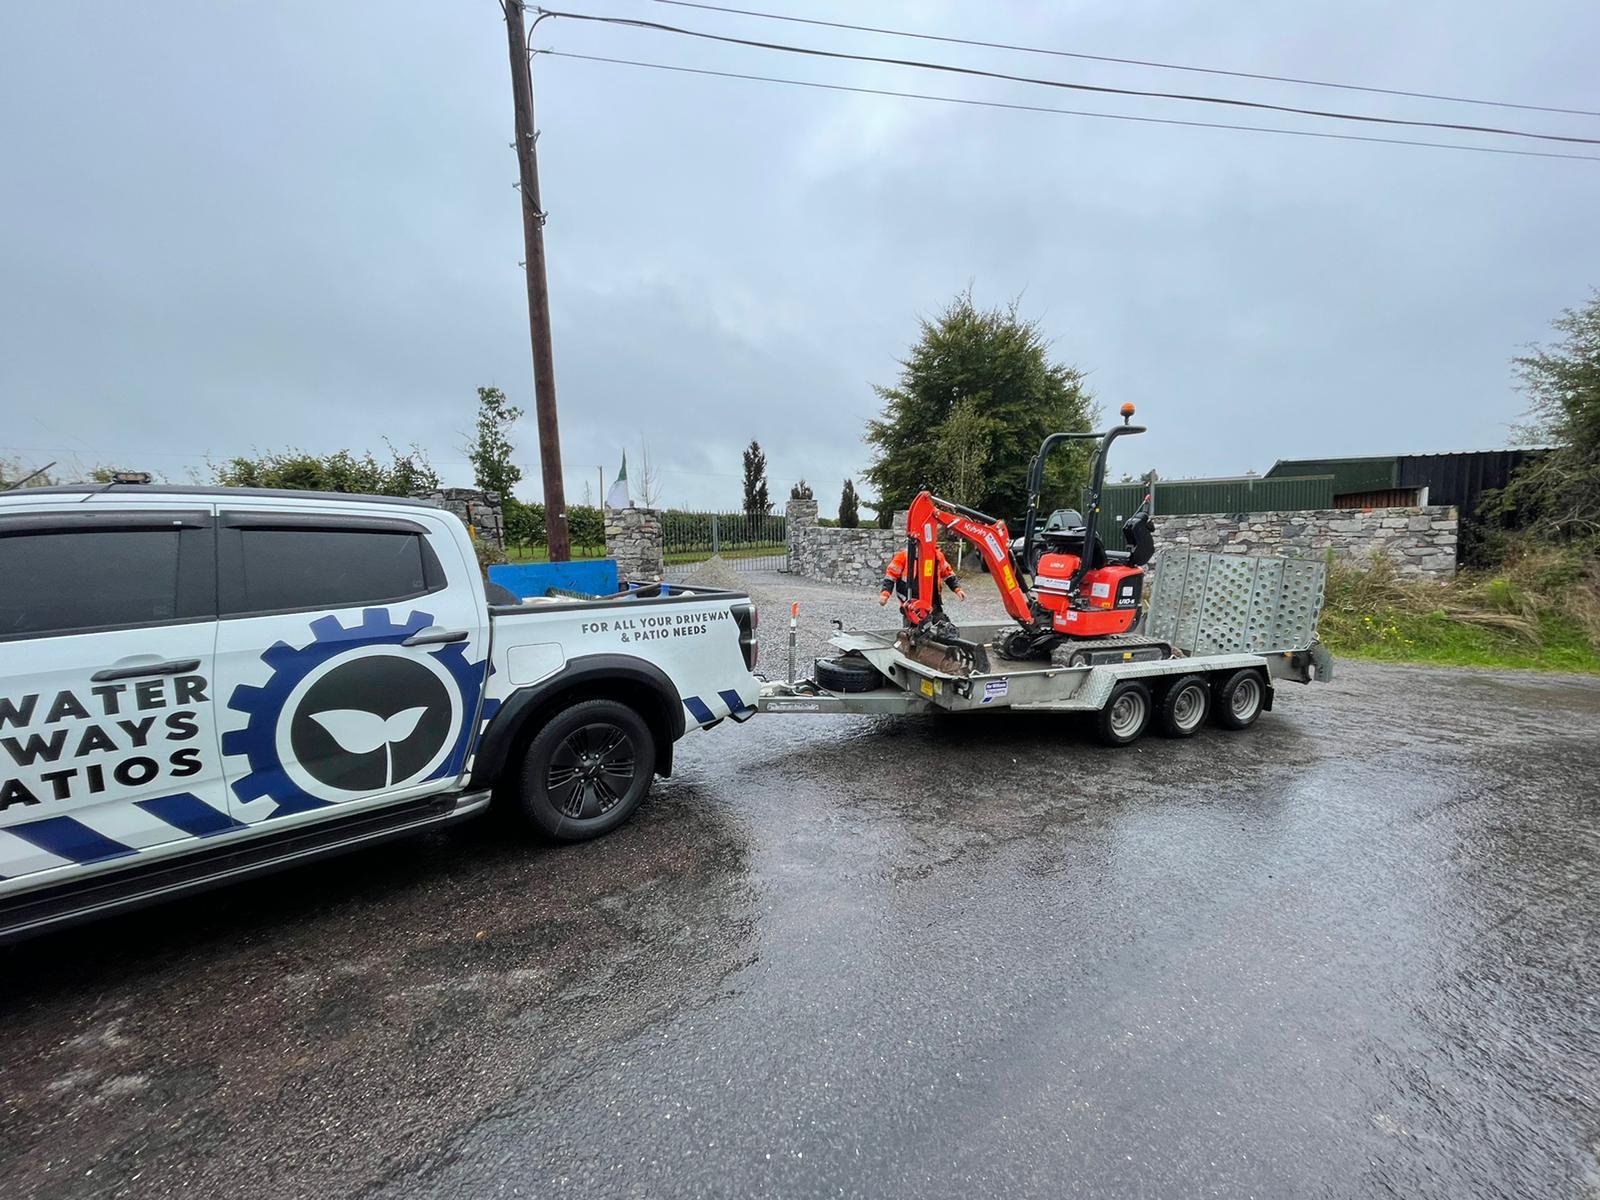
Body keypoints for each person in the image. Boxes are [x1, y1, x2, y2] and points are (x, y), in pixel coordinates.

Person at [879, 543, 966, 607]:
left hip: (933, 601)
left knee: (941, 625)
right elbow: (891, 575)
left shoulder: (938, 556)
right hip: (910, 602)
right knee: (912, 628)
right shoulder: (904, 556)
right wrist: (885, 594)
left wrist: (957, 589)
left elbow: (948, 574)